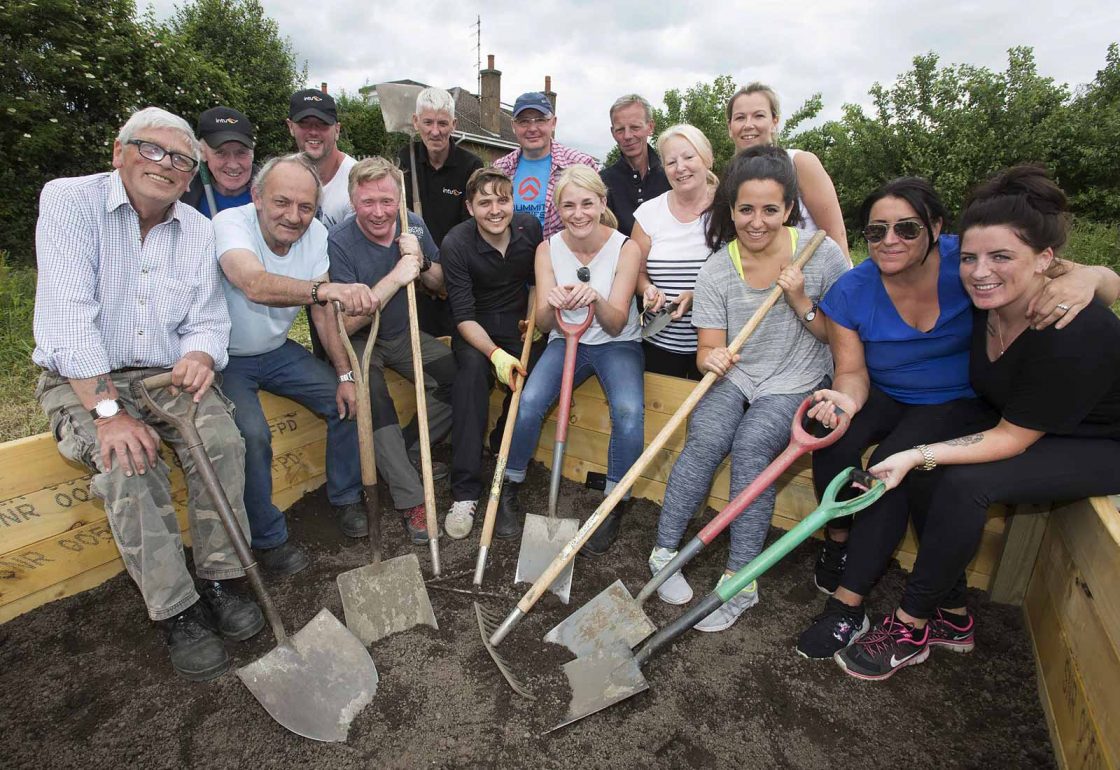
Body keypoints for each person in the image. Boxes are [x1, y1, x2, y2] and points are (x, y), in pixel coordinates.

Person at [796, 175, 1120, 661]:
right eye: (876, 231)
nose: (980, 270)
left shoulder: (1049, 309)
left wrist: (1091, 276)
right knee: (920, 471)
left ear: (935, 231)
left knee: (941, 479)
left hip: (1093, 439)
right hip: (1032, 419)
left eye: (907, 229)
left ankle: (898, 620)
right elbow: (852, 371)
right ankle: (949, 610)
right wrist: (848, 405)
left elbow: (1011, 436)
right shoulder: (984, 294)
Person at [32, 107, 264, 681]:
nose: (165, 166)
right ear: (119, 151)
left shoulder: (198, 229)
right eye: (151, 150)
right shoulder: (69, 202)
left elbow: (209, 319)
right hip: (84, 378)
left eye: (181, 160)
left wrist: (200, 354)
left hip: (166, 372)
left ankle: (219, 577)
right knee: (129, 465)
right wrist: (108, 414)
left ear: (191, 177)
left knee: (222, 441)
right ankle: (176, 610)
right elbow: (66, 319)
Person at [648, 146, 849, 631]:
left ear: (788, 209)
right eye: (745, 209)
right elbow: (706, 351)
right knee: (707, 434)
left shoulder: (821, 255)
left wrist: (801, 299)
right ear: (730, 208)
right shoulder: (717, 268)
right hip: (740, 373)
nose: (756, 222)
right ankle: (664, 551)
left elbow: (839, 340)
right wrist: (710, 358)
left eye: (770, 210)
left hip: (797, 376)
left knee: (753, 443)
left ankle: (741, 580)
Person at [215, 154, 379, 576]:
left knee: (346, 400)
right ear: (258, 197)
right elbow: (252, 283)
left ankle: (343, 498)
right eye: (282, 203)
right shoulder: (230, 225)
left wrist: (345, 374)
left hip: (275, 349)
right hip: (223, 356)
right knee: (251, 435)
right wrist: (324, 289)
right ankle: (268, 539)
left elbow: (323, 313)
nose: (294, 216)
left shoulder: (316, 235)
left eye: (305, 207)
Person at [496, 166, 643, 556]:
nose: (578, 214)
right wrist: (550, 304)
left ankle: (614, 503)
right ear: (557, 209)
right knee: (527, 403)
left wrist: (594, 296)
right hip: (565, 338)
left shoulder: (626, 248)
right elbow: (543, 324)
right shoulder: (547, 248)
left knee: (629, 411)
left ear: (602, 203)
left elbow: (615, 323)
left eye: (586, 204)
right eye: (568, 206)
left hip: (616, 344)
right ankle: (511, 484)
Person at [329, 157, 456, 544]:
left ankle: (410, 451)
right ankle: (411, 499)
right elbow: (343, 324)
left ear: (399, 197)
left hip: (403, 334)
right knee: (376, 403)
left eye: (387, 200)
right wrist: (396, 276)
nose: (379, 212)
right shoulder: (340, 242)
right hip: (360, 342)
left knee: (463, 378)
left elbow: (440, 284)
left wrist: (422, 259)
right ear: (353, 201)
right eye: (368, 202)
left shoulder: (412, 223)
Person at [439, 168, 544, 539]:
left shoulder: (530, 229)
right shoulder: (456, 244)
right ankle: (465, 491)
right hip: (476, 330)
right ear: (470, 208)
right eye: (485, 202)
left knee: (534, 387)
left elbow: (536, 282)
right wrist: (495, 355)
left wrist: (533, 320)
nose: (495, 210)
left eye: (503, 200)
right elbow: (463, 316)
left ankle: (502, 451)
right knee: (469, 384)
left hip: (519, 325)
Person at [631, 124, 718, 379]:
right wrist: (647, 288)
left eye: (689, 157)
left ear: (706, 158)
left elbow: (744, 275)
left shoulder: (730, 210)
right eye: (671, 162)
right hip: (659, 345)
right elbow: (637, 272)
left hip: (717, 350)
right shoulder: (648, 213)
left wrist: (698, 296)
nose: (680, 167)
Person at [397, 87, 485, 338]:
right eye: (427, 122)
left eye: (442, 123)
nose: (435, 131)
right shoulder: (405, 160)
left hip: (454, 275)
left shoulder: (471, 166)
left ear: (454, 124)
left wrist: (441, 275)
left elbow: (469, 229)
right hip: (413, 273)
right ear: (416, 122)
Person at [726, 82, 850, 258]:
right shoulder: (731, 176)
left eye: (758, 116)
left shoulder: (800, 163)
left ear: (774, 121)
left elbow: (836, 236)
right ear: (730, 127)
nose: (748, 124)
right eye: (740, 117)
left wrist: (843, 283)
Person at [493, 91, 599, 238]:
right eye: (524, 121)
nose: (532, 128)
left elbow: (598, 220)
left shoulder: (581, 164)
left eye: (540, 120)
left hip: (564, 257)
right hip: (512, 258)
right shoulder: (499, 169)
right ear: (513, 126)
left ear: (553, 122)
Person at [600, 94, 671, 237]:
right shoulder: (603, 182)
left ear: (650, 127)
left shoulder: (672, 174)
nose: (627, 136)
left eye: (635, 127)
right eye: (620, 130)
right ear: (613, 133)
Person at [288, 88, 356, 227]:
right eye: (304, 123)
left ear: (337, 130)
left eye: (323, 124)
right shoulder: (279, 175)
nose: (313, 131)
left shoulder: (356, 179)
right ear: (291, 127)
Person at [181, 106, 257, 218]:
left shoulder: (273, 193)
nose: (233, 165)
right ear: (202, 152)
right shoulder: (180, 194)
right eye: (221, 152)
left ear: (252, 153)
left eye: (241, 152)